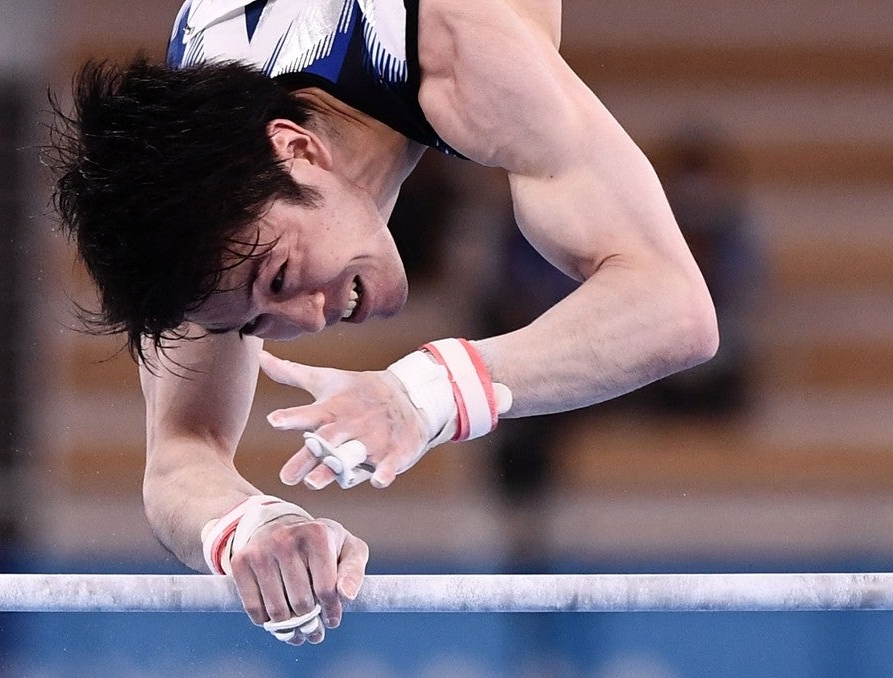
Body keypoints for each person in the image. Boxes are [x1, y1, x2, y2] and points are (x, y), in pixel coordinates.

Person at [46, 0, 718, 645]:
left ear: (298, 150)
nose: (306, 319)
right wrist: (253, 528)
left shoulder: (459, 48)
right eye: (254, 325)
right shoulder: (197, 201)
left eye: (279, 277)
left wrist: (425, 395)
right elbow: (176, 458)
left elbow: (675, 307)